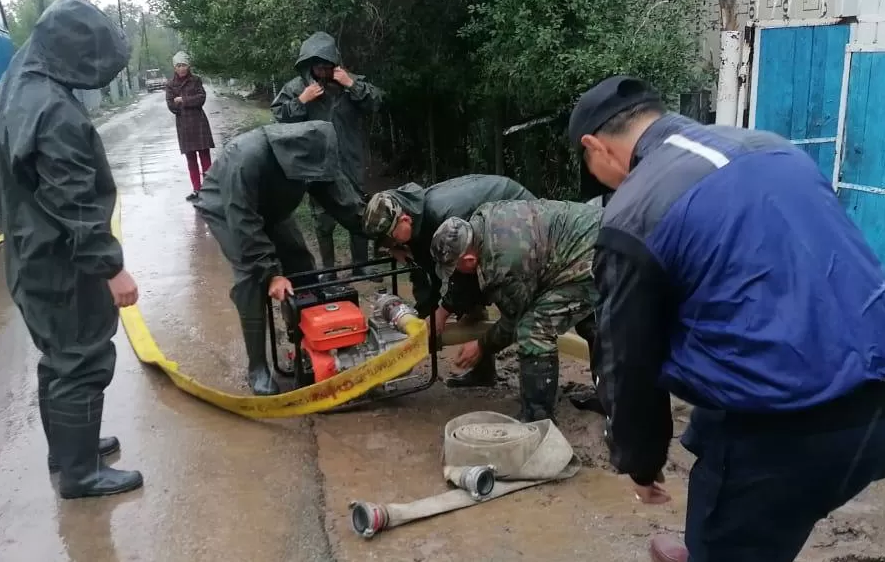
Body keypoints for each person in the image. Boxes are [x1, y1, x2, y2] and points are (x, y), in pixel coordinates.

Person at [569, 75, 885, 562]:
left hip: (794, 440)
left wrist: (639, 463)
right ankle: (721, 543)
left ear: (596, 148)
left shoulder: (634, 213)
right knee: (720, 419)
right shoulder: (771, 147)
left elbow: (627, 364)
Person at [0, 0, 142, 500]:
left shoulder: (10, 90)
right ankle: (81, 474)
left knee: (56, 357)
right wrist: (111, 267)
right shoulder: (51, 109)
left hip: (30, 256)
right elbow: (73, 200)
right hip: (61, 261)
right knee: (81, 358)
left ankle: (70, 450)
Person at [195, 121, 367, 395]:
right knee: (251, 280)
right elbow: (242, 221)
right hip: (227, 209)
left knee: (300, 262)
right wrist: (271, 272)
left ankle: (309, 341)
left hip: (272, 207)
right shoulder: (246, 157)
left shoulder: (314, 154)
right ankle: (258, 368)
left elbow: (342, 202)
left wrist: (382, 234)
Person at [428, 199, 601, 423]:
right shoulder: (482, 220)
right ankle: (613, 399)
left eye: (454, 267)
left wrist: (481, 346)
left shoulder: (503, 263)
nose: (454, 273)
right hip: (597, 236)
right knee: (591, 322)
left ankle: (538, 418)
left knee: (534, 328)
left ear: (469, 260)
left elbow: (514, 322)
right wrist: (445, 309)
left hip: (590, 259)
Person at [363, 175, 535, 387]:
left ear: (404, 219)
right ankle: (484, 373)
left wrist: (442, 313)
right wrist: (426, 316)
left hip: (518, 218)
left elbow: (463, 275)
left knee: (515, 304)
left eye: (389, 240)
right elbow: (428, 273)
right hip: (483, 226)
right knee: (471, 303)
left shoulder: (440, 218)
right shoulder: (416, 220)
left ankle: (536, 393)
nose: (390, 246)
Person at [271, 32, 382, 276]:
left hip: (351, 158)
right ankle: (328, 270)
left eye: (326, 66)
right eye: (317, 66)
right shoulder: (297, 87)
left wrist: (351, 84)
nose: (322, 71)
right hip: (317, 163)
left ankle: (360, 267)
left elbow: (375, 102)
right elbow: (279, 115)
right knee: (322, 217)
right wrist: (302, 100)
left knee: (358, 211)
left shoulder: (349, 83)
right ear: (309, 65)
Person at [164, 51, 215, 202]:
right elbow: (171, 105)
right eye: (178, 65)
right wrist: (177, 103)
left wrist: (183, 100)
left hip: (199, 124)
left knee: (205, 157)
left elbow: (201, 98)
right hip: (184, 126)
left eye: (184, 65)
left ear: (188, 66)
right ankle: (196, 190)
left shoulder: (196, 80)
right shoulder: (170, 85)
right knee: (191, 159)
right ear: (175, 67)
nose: (181, 68)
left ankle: (209, 189)